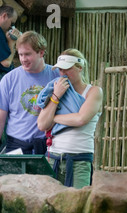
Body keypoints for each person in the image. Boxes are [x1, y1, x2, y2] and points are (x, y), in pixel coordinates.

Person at [0, 31, 60, 155]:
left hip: (49, 144)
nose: (23, 59)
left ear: (41, 52)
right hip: (17, 145)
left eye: (27, 54)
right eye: (20, 55)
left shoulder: (56, 75)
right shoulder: (9, 79)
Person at [37, 49, 103, 189]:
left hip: (79, 160)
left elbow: (80, 119)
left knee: (77, 205)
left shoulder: (94, 91)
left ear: (80, 68)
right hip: (53, 157)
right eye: (60, 70)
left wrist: (53, 118)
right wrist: (56, 96)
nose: (63, 74)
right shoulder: (55, 90)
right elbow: (42, 124)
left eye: (67, 69)